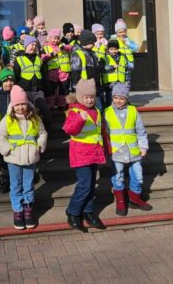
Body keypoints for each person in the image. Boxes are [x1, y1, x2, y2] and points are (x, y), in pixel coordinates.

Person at [0, 86, 48, 230]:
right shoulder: (8, 119)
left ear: (27, 103)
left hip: (30, 158)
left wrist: (39, 145)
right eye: (17, 105)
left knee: (28, 184)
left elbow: (42, 133)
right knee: (16, 185)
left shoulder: (35, 118)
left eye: (23, 104)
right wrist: (7, 149)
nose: (20, 107)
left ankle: (28, 209)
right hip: (14, 158)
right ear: (12, 105)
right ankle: (18, 211)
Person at [62, 79, 110, 232]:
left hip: (94, 152)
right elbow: (69, 129)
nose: (90, 100)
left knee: (91, 183)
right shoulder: (75, 111)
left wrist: (107, 148)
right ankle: (73, 211)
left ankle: (88, 211)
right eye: (86, 97)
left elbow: (100, 132)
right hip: (81, 153)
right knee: (85, 184)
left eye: (92, 97)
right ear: (80, 97)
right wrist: (80, 119)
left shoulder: (96, 111)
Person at [105, 83, 152, 216]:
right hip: (116, 151)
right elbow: (105, 134)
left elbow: (141, 131)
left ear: (127, 99)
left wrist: (143, 147)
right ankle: (120, 201)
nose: (118, 101)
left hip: (133, 150)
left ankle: (135, 198)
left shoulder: (133, 111)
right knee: (117, 177)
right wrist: (106, 151)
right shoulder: (107, 112)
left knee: (138, 176)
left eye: (122, 98)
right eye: (115, 97)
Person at [13, 36, 51, 128]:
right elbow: (16, 75)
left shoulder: (39, 60)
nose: (34, 47)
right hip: (24, 91)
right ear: (26, 46)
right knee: (27, 112)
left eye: (35, 45)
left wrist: (46, 89)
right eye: (31, 44)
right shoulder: (19, 59)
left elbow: (44, 75)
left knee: (44, 110)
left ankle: (45, 129)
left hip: (38, 91)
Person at [0, 67, 16, 193]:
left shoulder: (17, 94)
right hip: (1, 131)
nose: (9, 83)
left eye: (11, 80)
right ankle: (5, 180)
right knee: (3, 158)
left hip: (15, 132)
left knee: (14, 157)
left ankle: (14, 181)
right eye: (6, 81)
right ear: (1, 82)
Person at [70, 30, 104, 110]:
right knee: (86, 109)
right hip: (84, 87)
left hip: (95, 86)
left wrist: (100, 65)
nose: (94, 45)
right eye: (92, 43)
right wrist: (76, 87)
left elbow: (95, 69)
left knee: (98, 108)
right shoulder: (77, 54)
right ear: (86, 42)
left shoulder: (92, 53)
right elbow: (75, 72)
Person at [102, 39, 131, 107]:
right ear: (108, 49)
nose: (113, 51)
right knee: (110, 100)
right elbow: (102, 69)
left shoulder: (123, 58)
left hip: (121, 83)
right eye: (111, 49)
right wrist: (112, 67)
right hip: (110, 84)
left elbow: (127, 71)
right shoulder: (105, 57)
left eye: (115, 49)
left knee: (121, 100)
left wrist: (127, 81)